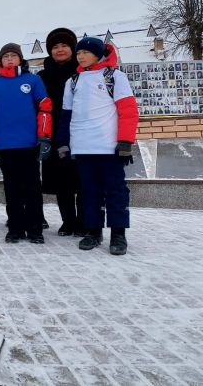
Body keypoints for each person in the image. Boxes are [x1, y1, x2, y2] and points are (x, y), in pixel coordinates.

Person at [57, 37, 138, 255]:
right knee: (88, 192)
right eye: (78, 53)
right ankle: (93, 231)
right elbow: (66, 116)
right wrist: (63, 144)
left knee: (116, 192)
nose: (80, 56)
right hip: (82, 148)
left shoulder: (114, 77)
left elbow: (128, 111)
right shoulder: (73, 81)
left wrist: (125, 142)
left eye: (85, 52)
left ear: (98, 54)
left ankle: (118, 234)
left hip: (108, 147)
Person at [0, 43, 52, 244]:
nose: (10, 59)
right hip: (5, 145)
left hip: (30, 144)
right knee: (11, 188)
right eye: (6, 56)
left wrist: (45, 137)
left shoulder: (33, 80)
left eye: (14, 56)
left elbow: (45, 109)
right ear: (0, 61)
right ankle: (15, 228)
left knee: (32, 187)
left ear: (21, 59)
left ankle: (35, 228)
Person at [37, 28, 85, 237]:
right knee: (61, 180)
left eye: (64, 45)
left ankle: (84, 221)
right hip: (55, 133)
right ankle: (68, 221)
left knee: (84, 179)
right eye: (55, 47)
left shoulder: (84, 72)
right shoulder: (43, 76)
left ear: (73, 48)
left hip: (83, 132)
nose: (60, 50)